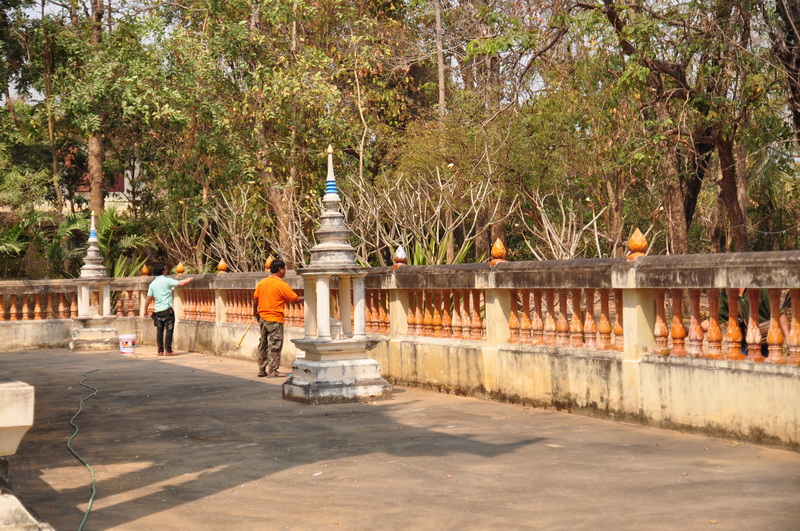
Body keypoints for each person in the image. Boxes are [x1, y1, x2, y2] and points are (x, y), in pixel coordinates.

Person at [253, 259, 303, 378]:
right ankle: (273, 371)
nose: (285, 271)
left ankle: (262, 369)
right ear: (280, 269)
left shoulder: (262, 283)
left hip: (262, 317)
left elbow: (255, 299)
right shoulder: (282, 285)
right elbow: (294, 299)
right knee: (275, 345)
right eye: (284, 269)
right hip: (275, 319)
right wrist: (310, 296)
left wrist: (255, 312)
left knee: (263, 344)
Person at [145, 263, 193, 356]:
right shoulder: (167, 280)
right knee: (169, 330)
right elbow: (181, 283)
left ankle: (160, 351)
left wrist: (145, 310)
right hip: (167, 310)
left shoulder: (152, 284)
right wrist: (189, 279)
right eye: (165, 269)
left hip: (157, 311)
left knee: (159, 331)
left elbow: (148, 299)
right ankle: (168, 350)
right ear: (163, 271)